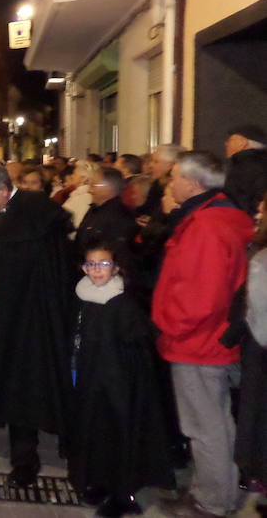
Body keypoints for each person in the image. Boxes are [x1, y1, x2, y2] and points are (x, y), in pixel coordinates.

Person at [0, 162, 75, 488]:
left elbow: (25, 259)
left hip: (32, 318)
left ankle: (25, 461)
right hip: (2, 311)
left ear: (3, 190)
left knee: (24, 387)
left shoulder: (36, 209)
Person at [152, 151, 253, 518]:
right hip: (208, 339)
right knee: (214, 422)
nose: (169, 183)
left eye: (174, 177)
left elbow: (200, 296)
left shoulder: (206, 227)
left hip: (197, 342)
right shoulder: (220, 217)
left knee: (205, 426)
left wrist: (169, 324)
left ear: (194, 184)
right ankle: (210, 491)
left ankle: (211, 502)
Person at [68, 241, 174, 517]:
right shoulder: (82, 296)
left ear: (115, 268)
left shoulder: (124, 303)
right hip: (91, 380)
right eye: (90, 264)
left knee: (119, 434)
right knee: (95, 432)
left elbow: (137, 347)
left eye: (103, 264)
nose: (96, 270)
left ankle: (122, 492)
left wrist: (121, 381)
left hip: (119, 384)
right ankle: (101, 481)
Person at [236, 192, 267, 494]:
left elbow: (259, 320)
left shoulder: (261, 258)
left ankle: (256, 474)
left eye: (263, 207)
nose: (257, 211)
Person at [75, 167, 137, 262]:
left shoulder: (119, 217)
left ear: (108, 187)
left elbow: (119, 254)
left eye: (93, 185)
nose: (89, 190)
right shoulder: (95, 209)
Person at [223, 124, 267, 218]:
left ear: (242, 142)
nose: (226, 144)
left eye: (230, 140)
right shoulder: (259, 164)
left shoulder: (244, 168)